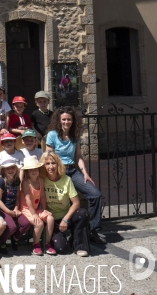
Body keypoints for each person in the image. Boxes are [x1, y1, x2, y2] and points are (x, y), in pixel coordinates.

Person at [45, 106, 106, 244]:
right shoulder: (52, 135)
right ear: (59, 120)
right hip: (58, 171)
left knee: (95, 194)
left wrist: (85, 173)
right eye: (64, 119)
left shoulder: (74, 135)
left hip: (72, 170)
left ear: (73, 121)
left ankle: (93, 230)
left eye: (69, 119)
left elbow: (78, 156)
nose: (66, 122)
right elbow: (49, 157)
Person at [41, 151, 90, 256]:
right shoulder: (42, 180)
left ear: (58, 164)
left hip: (67, 216)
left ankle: (80, 245)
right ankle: (67, 238)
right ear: (43, 166)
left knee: (83, 213)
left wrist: (65, 219)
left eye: (53, 163)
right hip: (52, 220)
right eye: (47, 164)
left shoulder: (66, 180)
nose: (51, 166)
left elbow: (76, 203)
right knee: (60, 249)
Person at [19, 156, 56, 256]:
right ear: (27, 172)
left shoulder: (40, 180)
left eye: (35, 169)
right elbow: (28, 200)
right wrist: (34, 214)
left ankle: (47, 243)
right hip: (26, 209)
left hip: (36, 208)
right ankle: (35, 244)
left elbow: (43, 196)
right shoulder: (26, 182)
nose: (33, 171)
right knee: (39, 223)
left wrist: (44, 209)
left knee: (50, 218)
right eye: (30, 170)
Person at [0, 161, 31, 254]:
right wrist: (8, 211)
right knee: (12, 227)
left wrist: (16, 208)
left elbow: (18, 196)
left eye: (12, 168)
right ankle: (1, 241)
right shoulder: (1, 181)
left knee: (26, 223)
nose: (10, 170)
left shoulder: (16, 180)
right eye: (8, 168)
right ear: (3, 171)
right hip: (2, 209)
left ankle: (15, 238)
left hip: (13, 208)